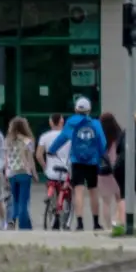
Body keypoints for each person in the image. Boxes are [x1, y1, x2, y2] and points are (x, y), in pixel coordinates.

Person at [47, 96, 107, 231]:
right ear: (89, 110)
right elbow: (102, 143)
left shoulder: (71, 123)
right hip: (92, 162)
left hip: (77, 162)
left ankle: (80, 223)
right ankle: (96, 223)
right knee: (93, 192)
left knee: (78, 192)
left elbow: (62, 138)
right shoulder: (96, 124)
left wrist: (52, 150)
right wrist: (101, 155)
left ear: (76, 109)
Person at [36, 111, 71, 223]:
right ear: (62, 122)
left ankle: (52, 205)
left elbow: (38, 155)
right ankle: (65, 218)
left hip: (51, 171)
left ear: (51, 123)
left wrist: (44, 166)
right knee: (68, 194)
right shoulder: (68, 136)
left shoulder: (44, 137)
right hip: (65, 171)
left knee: (52, 186)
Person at [2, 116, 36, 230]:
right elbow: (30, 159)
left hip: (11, 174)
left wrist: (5, 174)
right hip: (24, 173)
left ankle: (13, 222)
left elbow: (5, 159)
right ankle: (24, 227)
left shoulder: (7, 141)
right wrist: (34, 173)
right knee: (23, 202)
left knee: (15, 201)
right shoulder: (28, 141)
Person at [98, 111, 122, 229]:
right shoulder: (118, 136)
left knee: (106, 202)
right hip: (117, 171)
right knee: (120, 199)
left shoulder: (99, 137)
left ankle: (108, 226)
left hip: (103, 171)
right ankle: (118, 221)